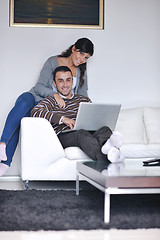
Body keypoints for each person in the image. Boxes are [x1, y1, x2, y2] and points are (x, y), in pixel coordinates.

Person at [0, 37, 94, 176]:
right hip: (34, 97)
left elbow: (83, 97)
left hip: (47, 106)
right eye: (81, 54)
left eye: (86, 58)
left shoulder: (80, 71)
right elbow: (39, 87)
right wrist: (54, 95)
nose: (82, 60)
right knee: (23, 103)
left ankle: (5, 163)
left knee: (23, 122)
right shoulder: (53, 61)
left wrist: (88, 112)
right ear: (74, 49)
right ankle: (2, 144)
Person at [30, 66, 125, 164]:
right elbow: (35, 112)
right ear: (54, 83)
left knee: (105, 129)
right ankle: (107, 163)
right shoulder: (51, 100)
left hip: (87, 133)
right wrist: (63, 119)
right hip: (64, 135)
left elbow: (92, 117)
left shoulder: (84, 100)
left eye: (68, 80)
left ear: (72, 82)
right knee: (80, 133)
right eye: (60, 81)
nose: (65, 84)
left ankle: (110, 149)